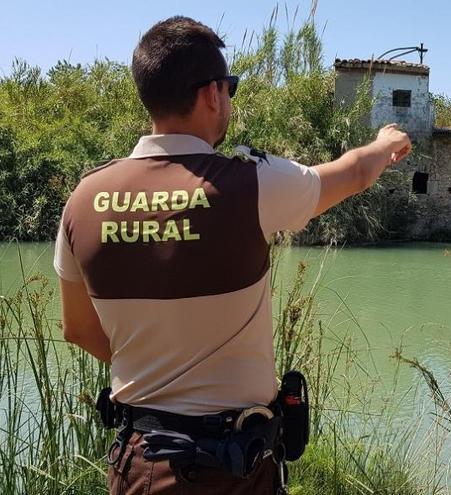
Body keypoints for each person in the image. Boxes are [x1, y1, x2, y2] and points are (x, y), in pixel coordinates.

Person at [54, 16, 410, 495]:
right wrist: (385, 145)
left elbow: (76, 328)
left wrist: (157, 369)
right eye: (230, 88)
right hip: (232, 467)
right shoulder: (249, 184)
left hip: (140, 464)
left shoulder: (83, 199)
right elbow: (351, 173)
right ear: (211, 95)